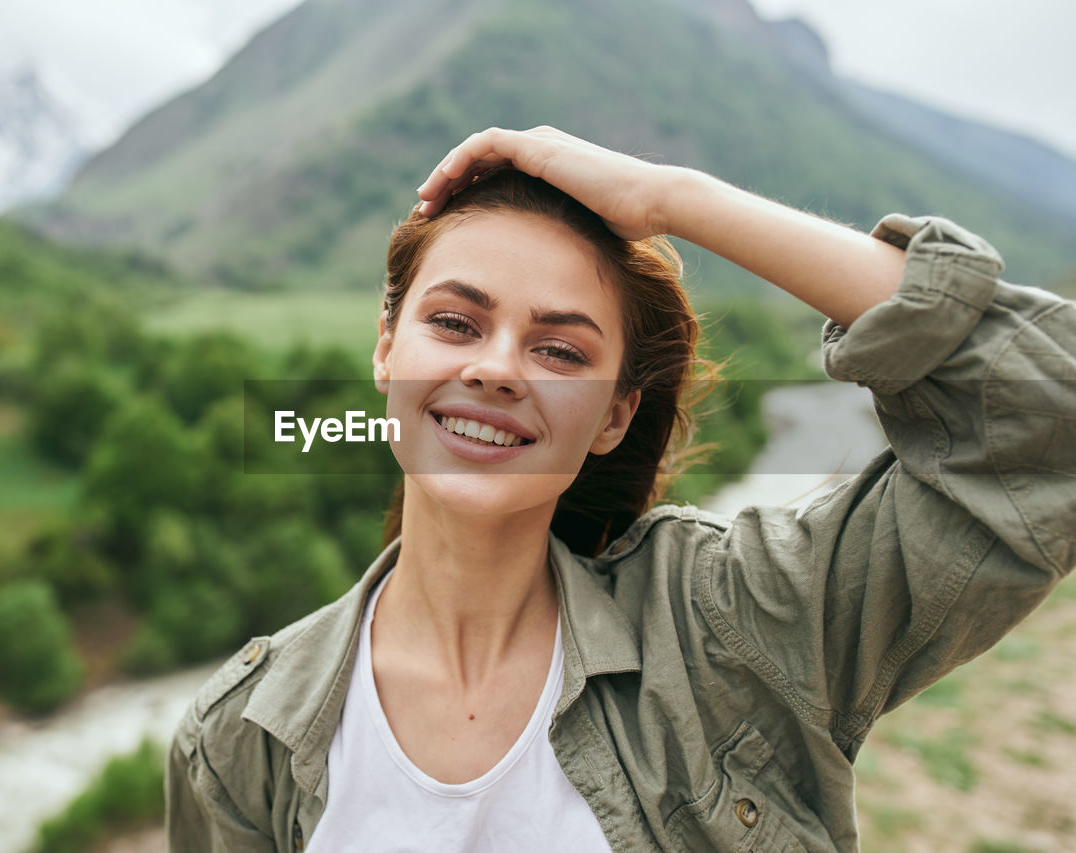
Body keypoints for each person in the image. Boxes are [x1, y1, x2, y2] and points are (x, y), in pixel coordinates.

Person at [165, 126, 1075, 852]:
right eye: (454, 321)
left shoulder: (738, 626)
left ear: (612, 416)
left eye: (559, 349)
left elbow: (1047, 421)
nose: (496, 368)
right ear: (385, 348)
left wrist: (674, 197)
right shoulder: (244, 738)